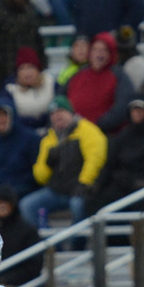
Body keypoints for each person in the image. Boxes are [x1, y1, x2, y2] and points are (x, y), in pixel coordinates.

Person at [21, 97, 105, 229]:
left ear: (71, 112)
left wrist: (84, 182)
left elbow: (95, 159)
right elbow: (40, 177)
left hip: (80, 190)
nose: (57, 116)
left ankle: (75, 241)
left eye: (61, 111)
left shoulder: (88, 131)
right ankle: (47, 241)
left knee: (77, 205)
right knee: (27, 205)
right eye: (53, 113)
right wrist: (48, 164)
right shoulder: (49, 139)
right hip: (57, 191)